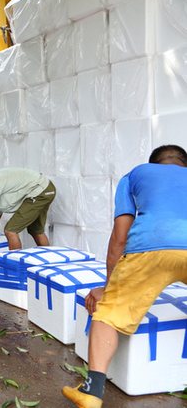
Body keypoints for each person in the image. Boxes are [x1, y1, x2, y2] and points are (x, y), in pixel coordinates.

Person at [61, 145, 187, 408]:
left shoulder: (135, 175)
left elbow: (120, 237)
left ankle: (91, 392)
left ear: (153, 164)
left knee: (108, 314)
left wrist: (108, 287)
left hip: (149, 248)